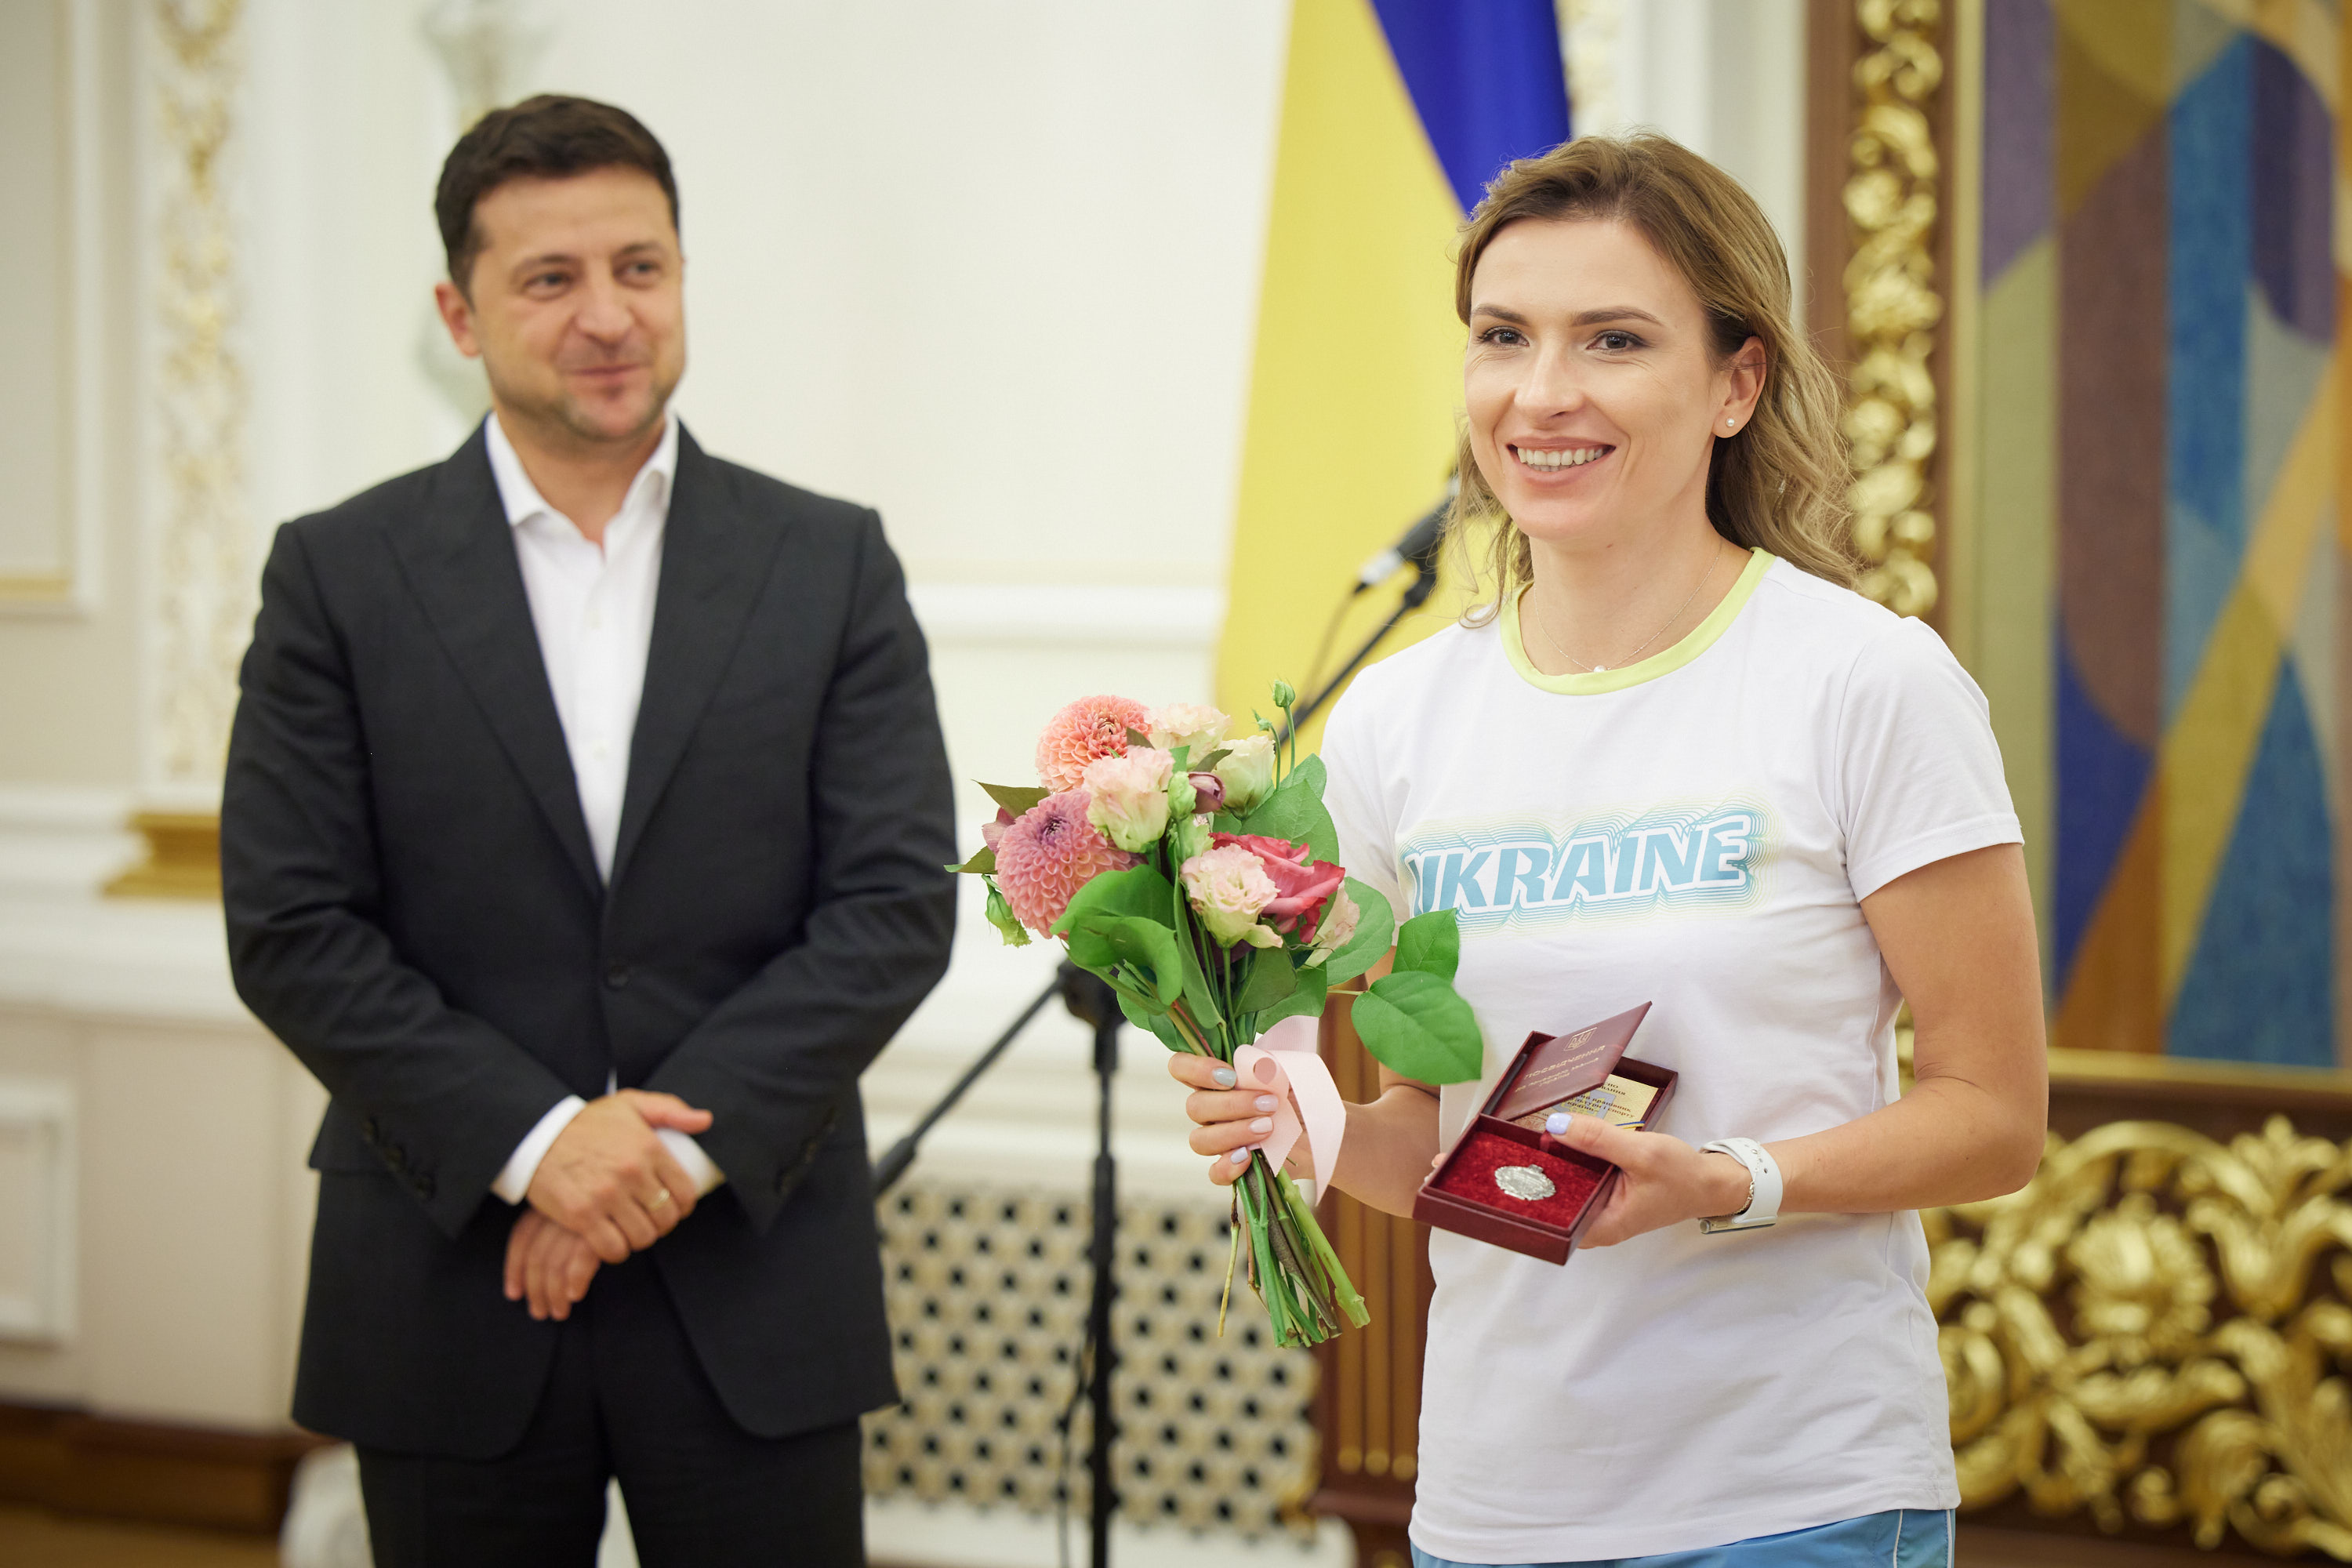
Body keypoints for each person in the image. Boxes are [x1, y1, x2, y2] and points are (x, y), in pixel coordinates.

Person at [1170, 133, 2045, 1568]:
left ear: (1736, 385)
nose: (1542, 392)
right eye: (1502, 336)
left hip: (1795, 1498)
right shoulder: (1397, 716)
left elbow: (1995, 1116)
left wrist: (1731, 1180)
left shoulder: (1864, 681)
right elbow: (1435, 1141)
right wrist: (1297, 1126)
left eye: (1614, 340)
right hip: (1494, 1507)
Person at [223, 95, 956, 1566]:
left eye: (641, 267)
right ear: (460, 313)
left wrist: (646, 1168)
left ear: (682, 276)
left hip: (752, 1277)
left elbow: (892, 906)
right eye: (550, 279)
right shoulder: (338, 577)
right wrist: (541, 1143)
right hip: (450, 1281)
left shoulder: (829, 562)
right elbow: (293, 929)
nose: (609, 316)